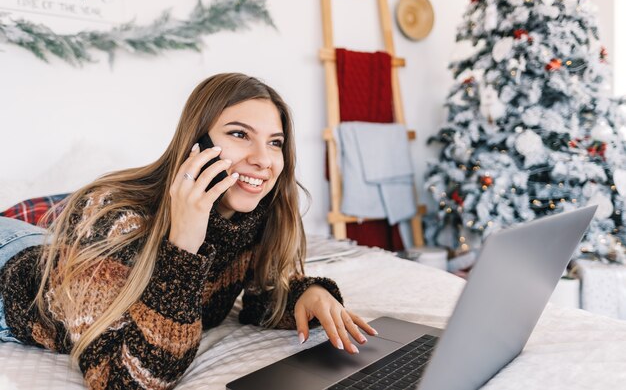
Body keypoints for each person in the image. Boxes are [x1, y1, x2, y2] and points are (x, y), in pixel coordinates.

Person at [0, 73, 377, 389]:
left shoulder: (250, 215)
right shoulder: (120, 219)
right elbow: (123, 380)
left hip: (53, 253)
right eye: (240, 135)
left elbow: (257, 299)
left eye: (274, 142)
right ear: (196, 143)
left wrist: (305, 293)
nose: (263, 159)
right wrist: (184, 243)